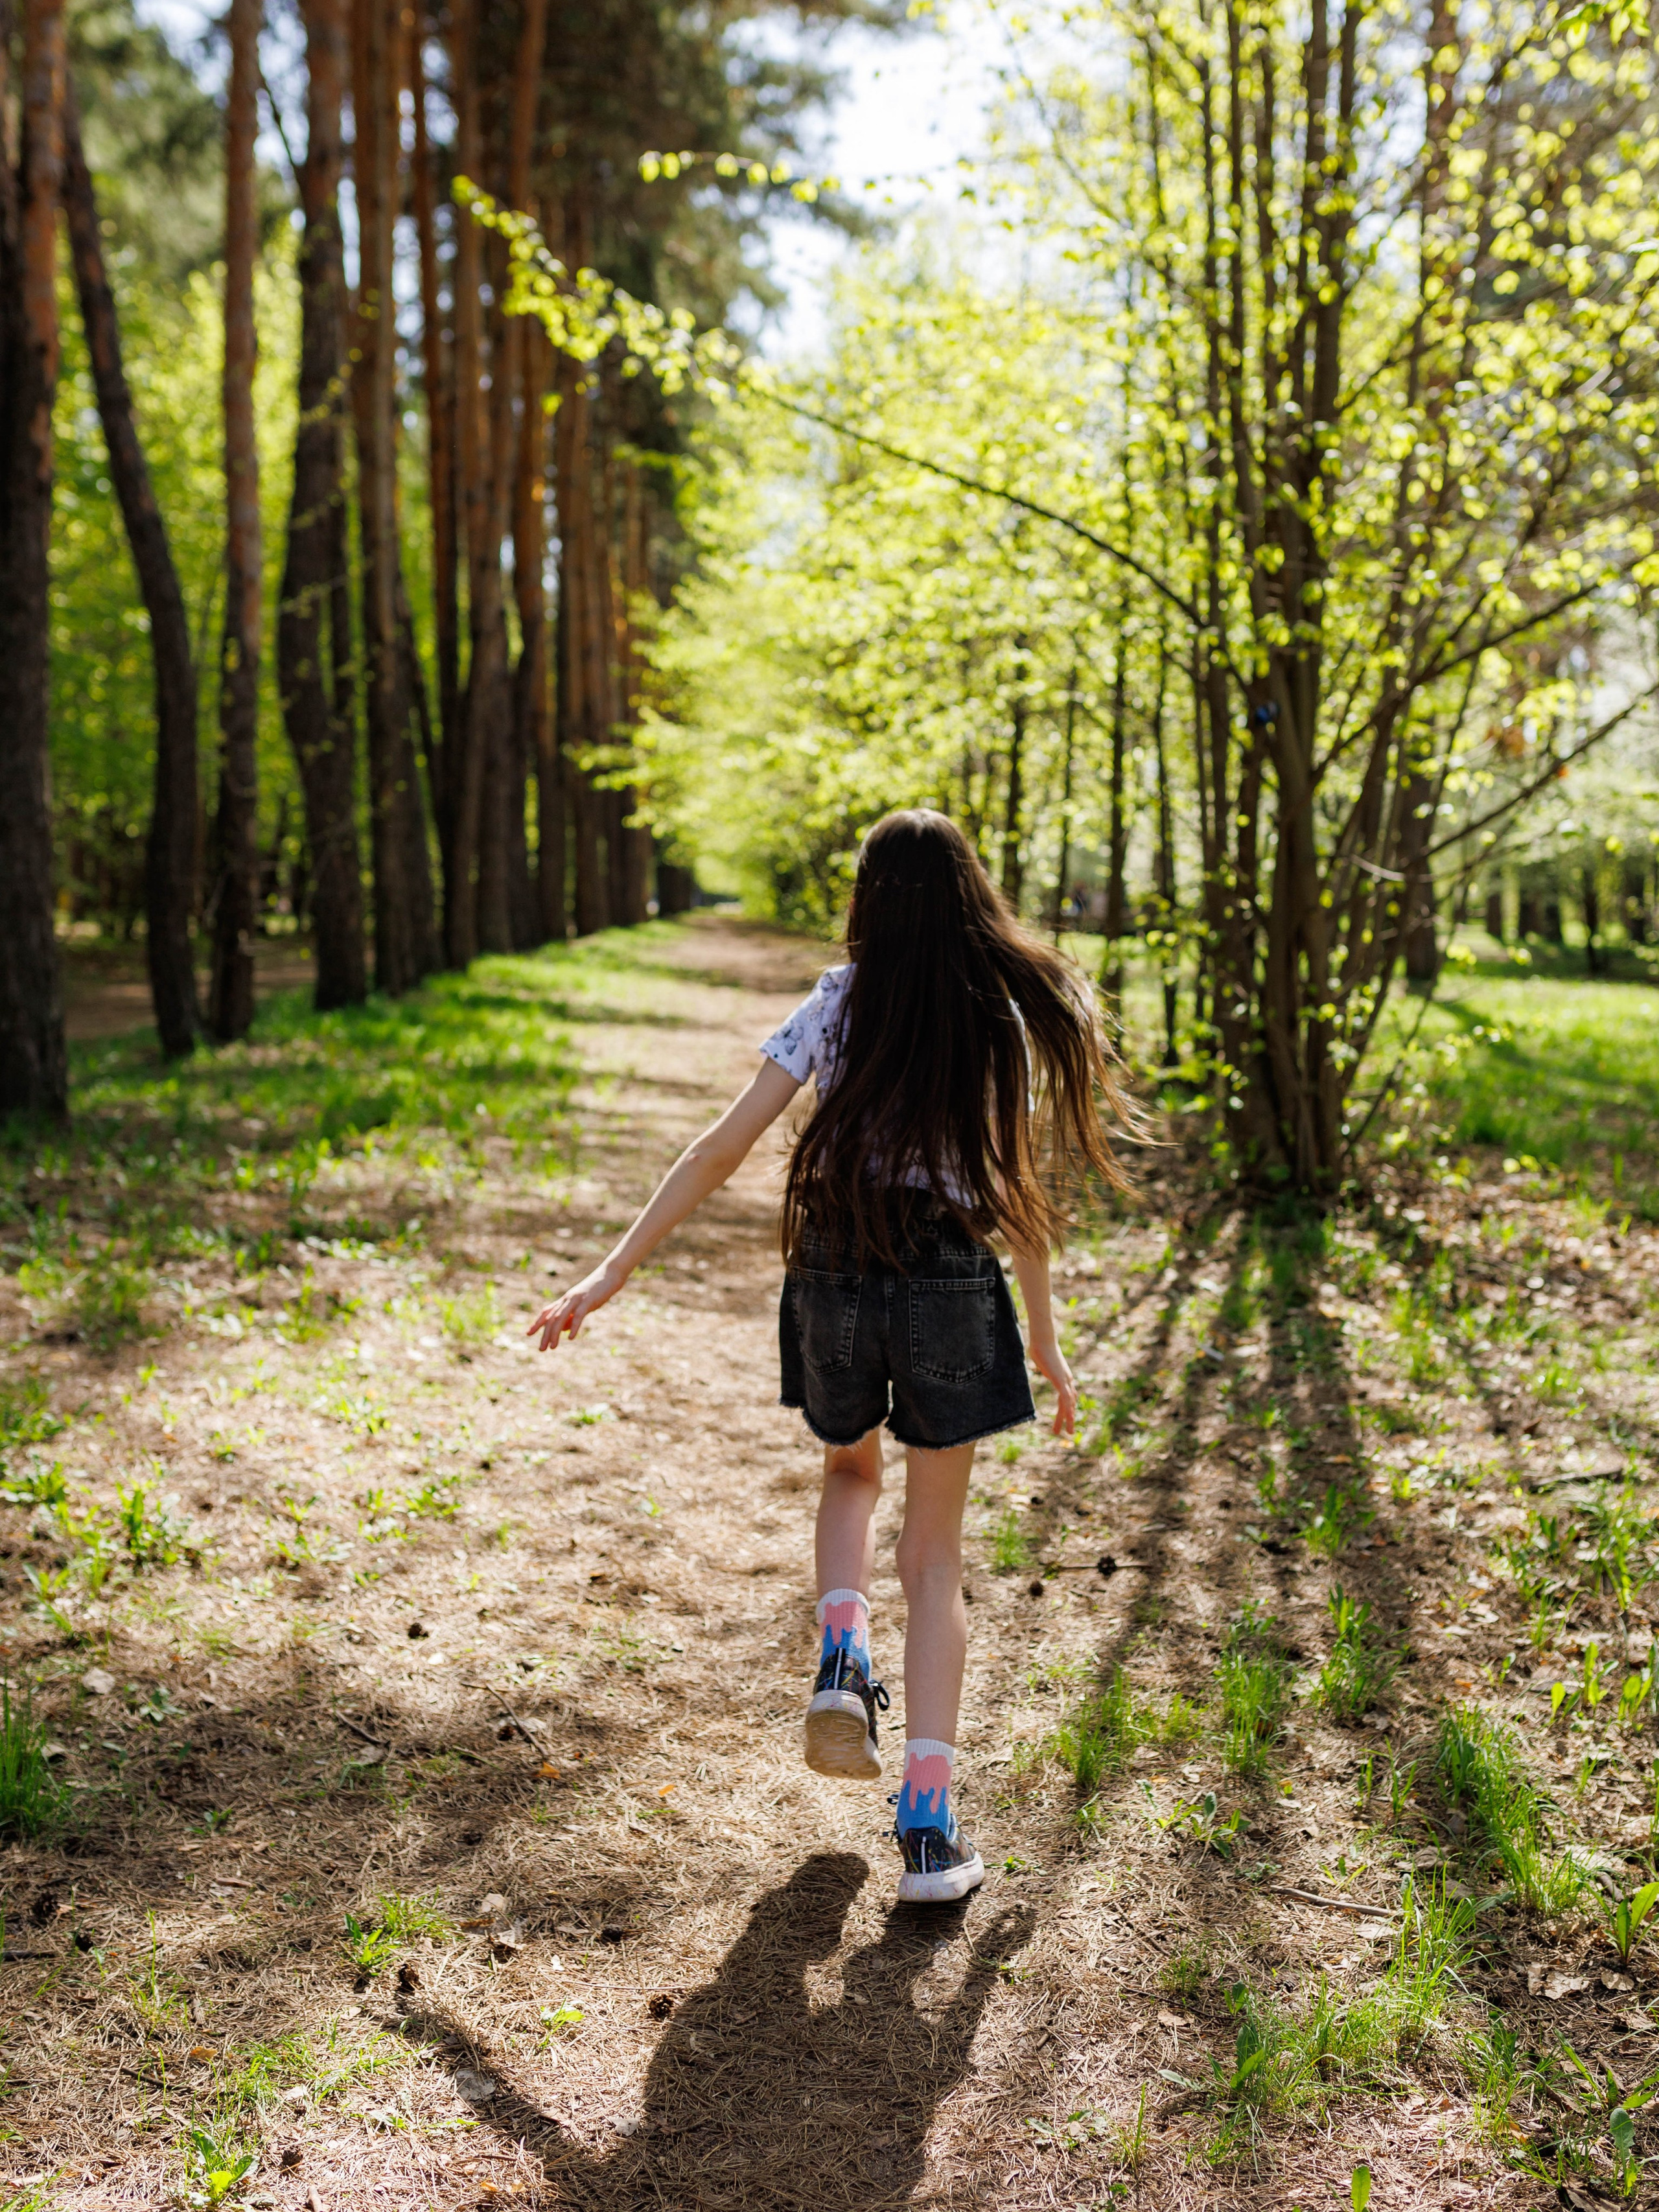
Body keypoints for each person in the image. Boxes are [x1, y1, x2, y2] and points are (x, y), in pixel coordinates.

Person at [527, 810, 1130, 1902]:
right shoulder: (994, 1015)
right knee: (937, 1559)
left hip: (836, 1264)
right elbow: (1020, 1199)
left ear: (867, 900)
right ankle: (932, 1833)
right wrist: (1042, 1337)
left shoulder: (836, 1000)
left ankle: (842, 1652)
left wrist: (610, 1270)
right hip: (951, 1274)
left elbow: (723, 1143)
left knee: (850, 1473)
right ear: (969, 898)